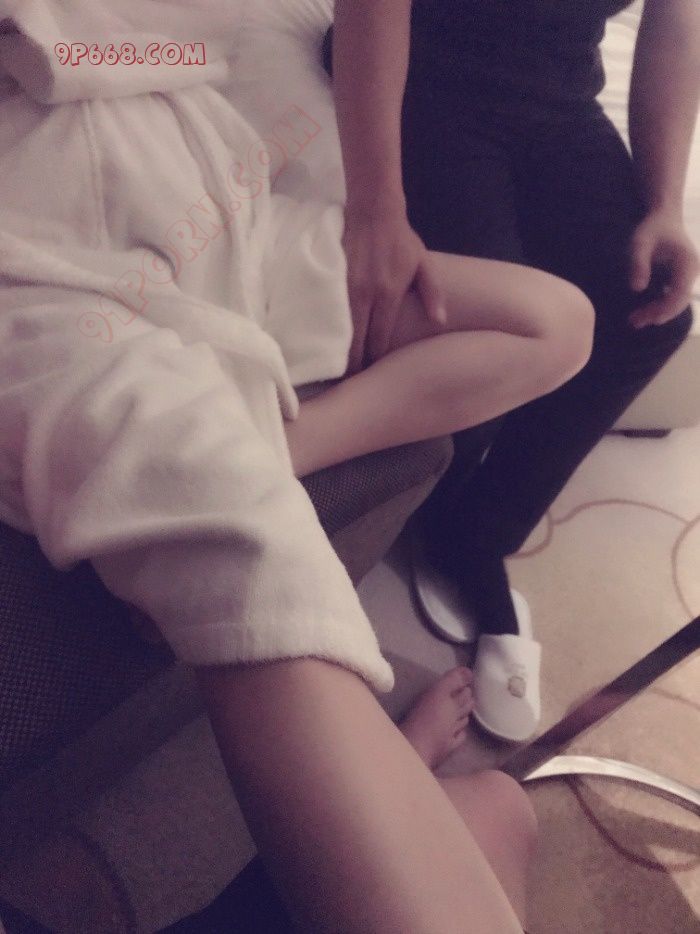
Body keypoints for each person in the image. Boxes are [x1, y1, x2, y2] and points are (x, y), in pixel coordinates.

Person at [0, 1, 594, 930]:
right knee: (236, 537)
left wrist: (378, 213)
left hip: (211, 206)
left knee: (558, 322)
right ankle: (242, 481)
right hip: (46, 265)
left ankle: (280, 454)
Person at [321, 0, 700, 744]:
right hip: (427, 73)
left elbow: (677, 19)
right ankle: (421, 501)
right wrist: (375, 207)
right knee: (482, 340)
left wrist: (664, 204)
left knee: (649, 314)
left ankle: (474, 534)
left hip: (556, 98)